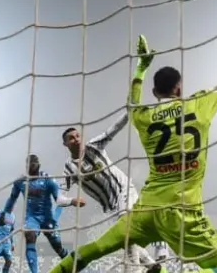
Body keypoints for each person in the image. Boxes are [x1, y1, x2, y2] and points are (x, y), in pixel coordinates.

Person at [49, 35, 217, 273]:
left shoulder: (144, 116)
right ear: (179, 88)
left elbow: (131, 104)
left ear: (154, 91)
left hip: (145, 211)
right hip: (184, 212)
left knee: (95, 249)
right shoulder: (200, 103)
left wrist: (141, 67)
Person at [62, 114, 165, 272]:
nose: (76, 139)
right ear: (65, 144)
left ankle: (135, 270)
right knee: (124, 241)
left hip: (124, 190)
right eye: (71, 138)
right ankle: (152, 266)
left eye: (77, 136)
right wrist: (71, 201)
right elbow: (59, 195)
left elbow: (114, 129)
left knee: (126, 232)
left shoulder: (93, 147)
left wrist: (129, 113)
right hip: (110, 207)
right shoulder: (69, 169)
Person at [3, 154, 85, 273]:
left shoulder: (48, 179)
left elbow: (59, 199)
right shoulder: (20, 182)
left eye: (34, 165)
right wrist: (5, 213)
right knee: (29, 235)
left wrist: (72, 201)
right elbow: (12, 198)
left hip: (47, 218)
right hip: (31, 218)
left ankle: (67, 258)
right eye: (29, 164)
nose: (31, 167)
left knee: (58, 247)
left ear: (39, 166)